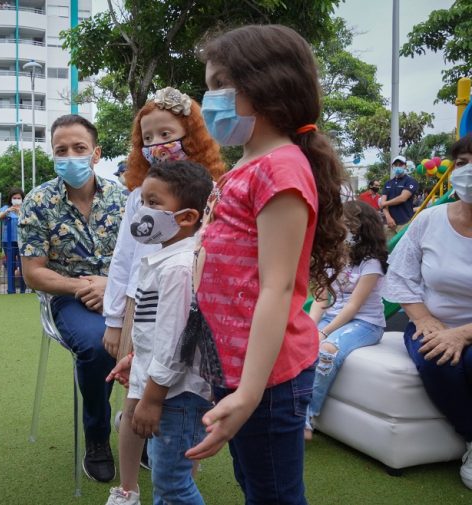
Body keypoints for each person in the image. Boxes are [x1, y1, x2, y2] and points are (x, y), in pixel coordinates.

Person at [185, 25, 347, 505]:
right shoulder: (245, 166)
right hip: (237, 370)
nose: (207, 98)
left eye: (218, 85)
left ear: (263, 86)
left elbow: (276, 289)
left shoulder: (280, 168)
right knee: (257, 486)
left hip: (267, 379)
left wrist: (250, 393)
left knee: (274, 495)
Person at [102, 86, 225, 505]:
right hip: (147, 318)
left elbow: (178, 335)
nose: (156, 145)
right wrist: (119, 324)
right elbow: (123, 259)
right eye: (147, 138)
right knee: (133, 410)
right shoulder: (143, 194)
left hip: (173, 379)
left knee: (171, 473)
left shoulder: (204, 206)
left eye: (165, 134)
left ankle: (175, 483)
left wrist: (153, 392)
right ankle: (129, 487)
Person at [19, 114, 126, 482]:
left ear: (95, 153)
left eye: (79, 148)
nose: (70, 156)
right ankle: (98, 437)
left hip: (122, 292)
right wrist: (86, 287)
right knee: (98, 346)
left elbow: (142, 258)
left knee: (168, 332)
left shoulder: (122, 197)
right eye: (60, 150)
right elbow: (33, 273)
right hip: (68, 298)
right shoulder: (38, 202)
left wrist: (111, 286)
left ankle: (144, 428)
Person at [383, 134, 472, 490]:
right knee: (437, 358)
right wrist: (422, 319)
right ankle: (471, 438)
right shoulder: (430, 220)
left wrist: (463, 333)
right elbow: (401, 276)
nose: (469, 171)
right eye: (463, 163)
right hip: (430, 322)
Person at [306, 200, 388, 439]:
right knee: (298, 344)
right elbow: (321, 299)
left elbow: (353, 306)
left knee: (327, 350)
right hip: (333, 316)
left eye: (344, 225)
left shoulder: (371, 262)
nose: (338, 230)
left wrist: (324, 332)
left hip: (365, 324)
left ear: (360, 229)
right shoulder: (332, 256)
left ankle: (306, 418)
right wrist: (310, 328)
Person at [380, 155, 419, 241]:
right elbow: (382, 202)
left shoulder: (410, 181)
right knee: (389, 250)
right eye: (396, 165)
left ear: (405, 166)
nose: (398, 167)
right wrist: (388, 217)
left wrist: (385, 203)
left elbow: (402, 198)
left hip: (405, 222)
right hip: (389, 224)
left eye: (400, 164)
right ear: (392, 166)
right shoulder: (388, 183)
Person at [0, 187, 27, 293]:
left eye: (19, 198)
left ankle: (23, 290)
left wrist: (19, 212)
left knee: (23, 265)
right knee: (11, 264)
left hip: (22, 241)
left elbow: (28, 220)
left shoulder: (26, 207)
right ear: (11, 199)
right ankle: (11, 289)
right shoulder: (6, 207)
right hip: (8, 241)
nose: (16, 200)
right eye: (14, 198)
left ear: (22, 199)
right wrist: (7, 211)